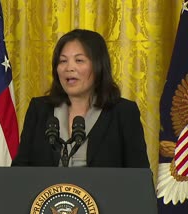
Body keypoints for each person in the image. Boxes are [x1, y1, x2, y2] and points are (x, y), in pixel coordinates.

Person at [12, 29, 149, 168]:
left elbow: (138, 178)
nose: (69, 67)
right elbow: (19, 172)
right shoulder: (39, 109)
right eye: (63, 61)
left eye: (79, 60)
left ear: (98, 66)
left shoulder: (123, 112)